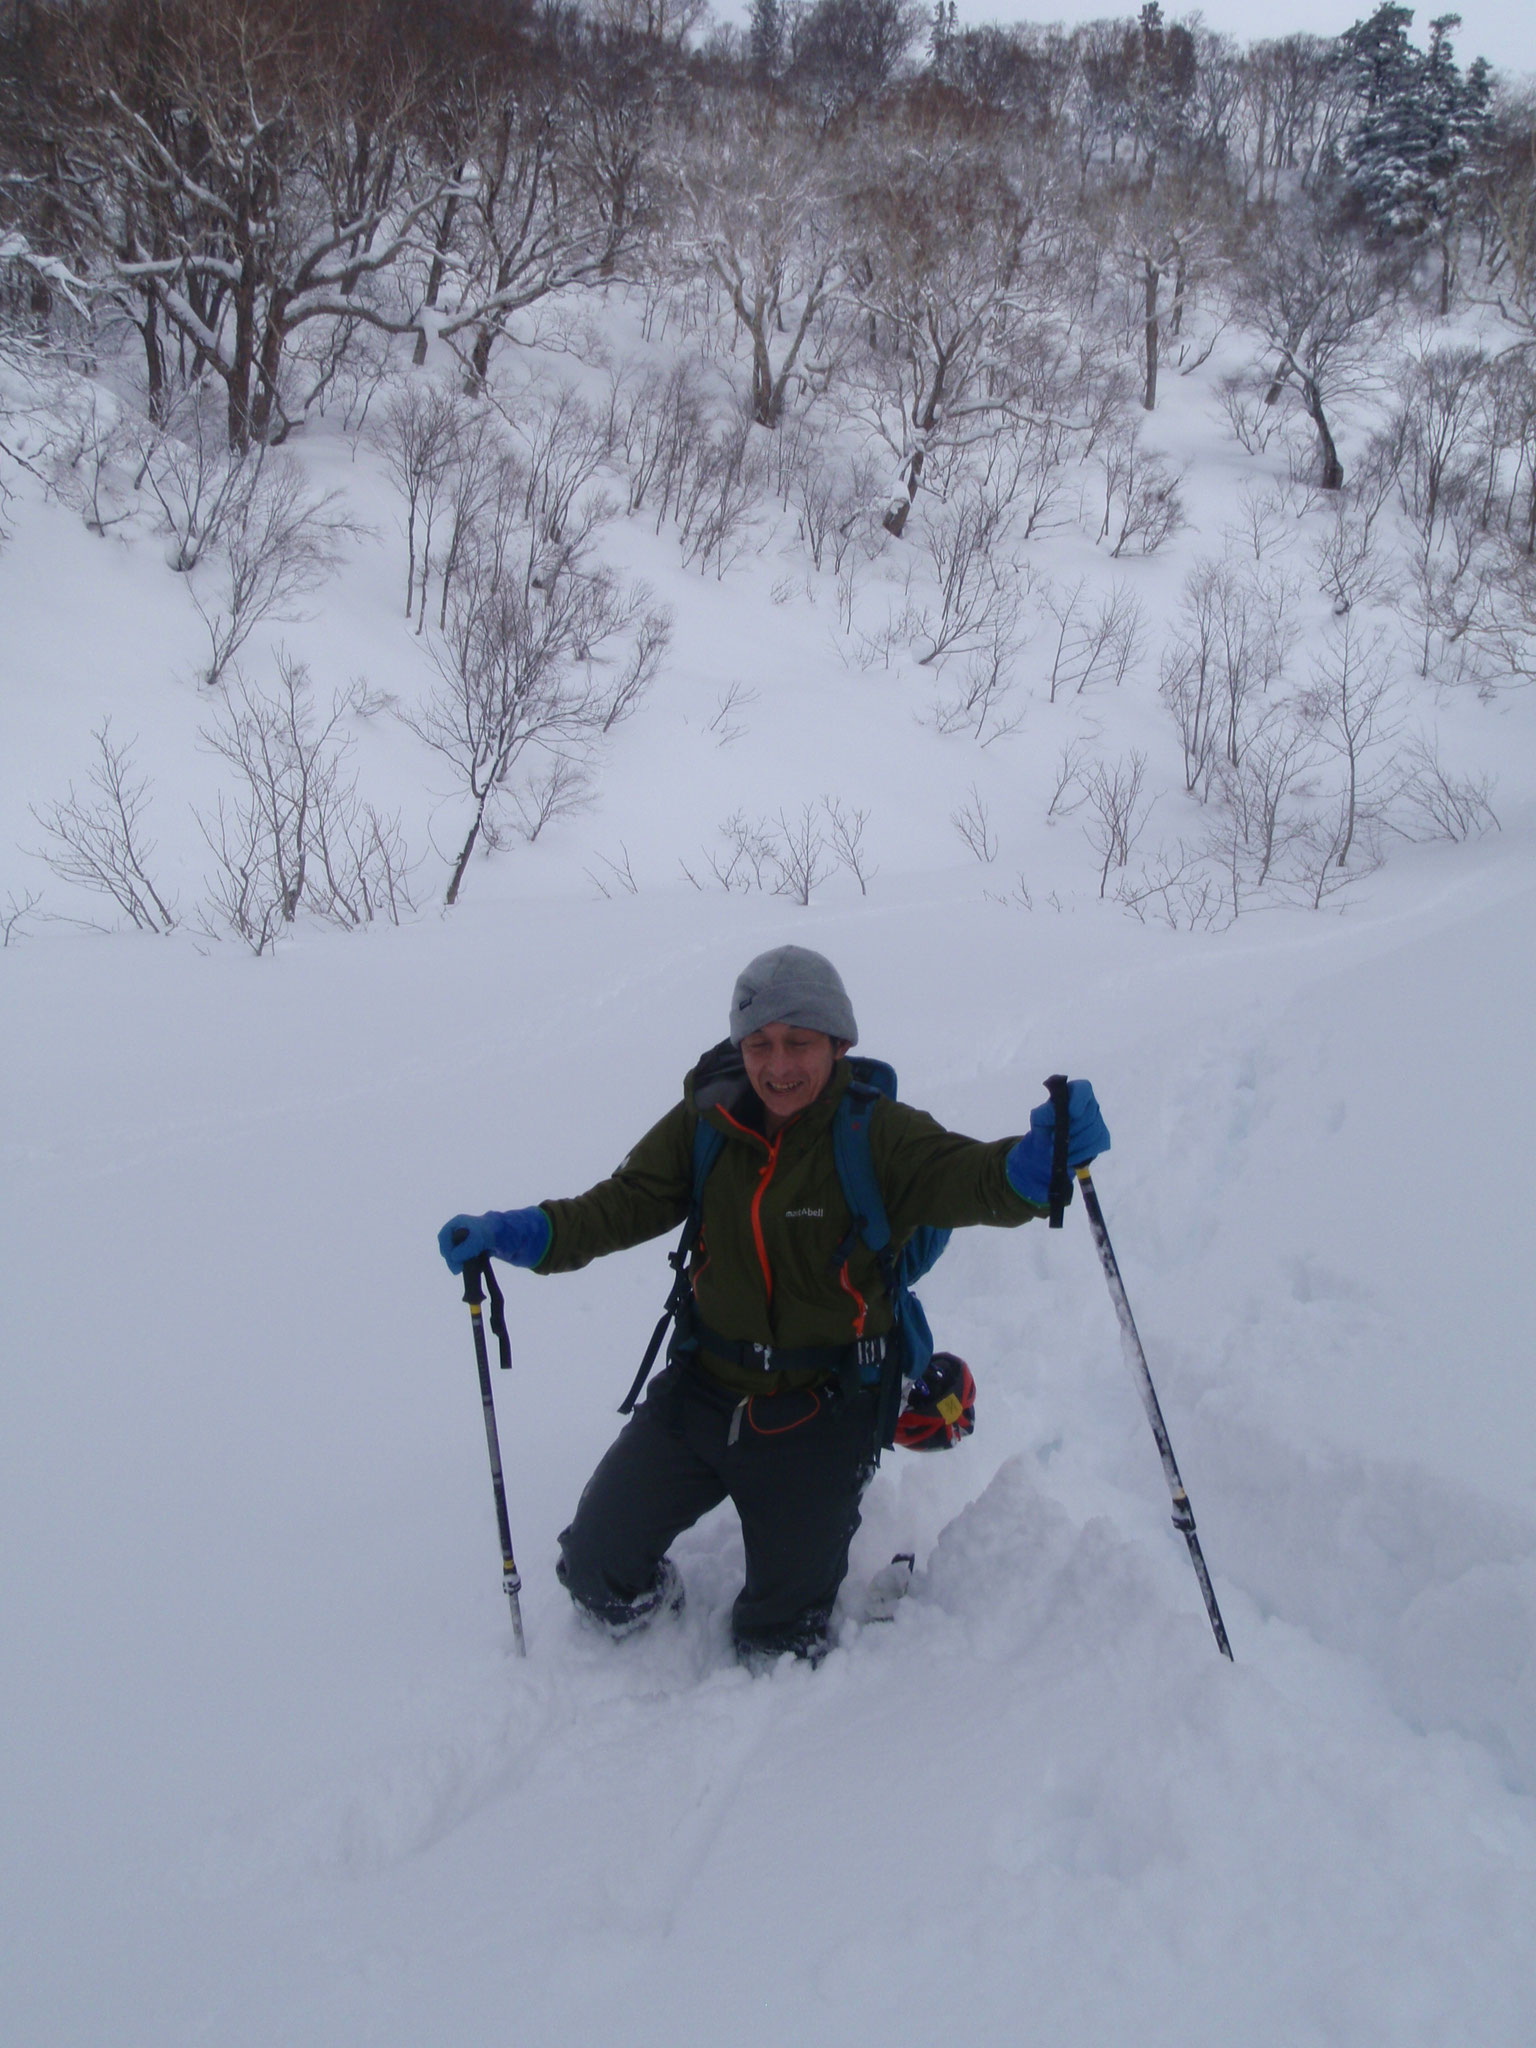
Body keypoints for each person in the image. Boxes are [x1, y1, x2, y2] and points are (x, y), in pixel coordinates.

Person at [438, 945, 1109, 1668]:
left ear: (839, 1043)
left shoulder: (875, 1131)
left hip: (823, 1408)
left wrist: (1031, 1170)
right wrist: (523, 1233)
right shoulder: (708, 1123)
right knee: (596, 1575)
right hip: (704, 1388)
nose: (778, 1065)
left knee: (776, 1639)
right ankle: (662, 1602)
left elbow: (966, 1177)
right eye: (758, 1044)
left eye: (799, 1043)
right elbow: (624, 1204)